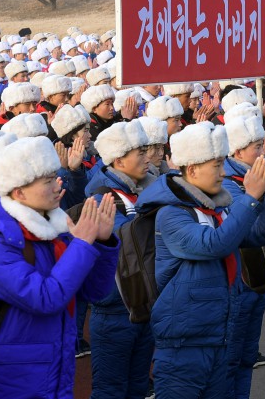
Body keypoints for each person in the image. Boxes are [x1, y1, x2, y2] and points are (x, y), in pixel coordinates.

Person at [134, 122, 265, 399]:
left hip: (216, 334)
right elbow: (215, 244)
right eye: (216, 166)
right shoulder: (171, 213)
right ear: (191, 169)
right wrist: (251, 198)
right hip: (184, 341)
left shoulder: (215, 206)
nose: (223, 172)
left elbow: (259, 234)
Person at [0, 136, 119, 399]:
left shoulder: (52, 227)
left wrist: (102, 243)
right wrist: (81, 244)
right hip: (11, 373)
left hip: (55, 364)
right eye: (47, 181)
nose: (57, 185)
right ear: (19, 192)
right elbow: (45, 298)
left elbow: (94, 292)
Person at [86, 121, 157, 399]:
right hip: (115, 310)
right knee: (110, 391)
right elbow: (132, 243)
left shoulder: (145, 190)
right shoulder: (101, 198)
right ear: (118, 160)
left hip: (144, 305)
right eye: (139, 153)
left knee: (138, 386)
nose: (147, 157)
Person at [221, 111, 265, 399]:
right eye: (256, 147)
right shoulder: (227, 182)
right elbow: (247, 225)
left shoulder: (257, 170)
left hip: (257, 277)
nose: (263, 151)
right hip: (240, 277)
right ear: (236, 151)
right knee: (231, 360)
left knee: (247, 357)